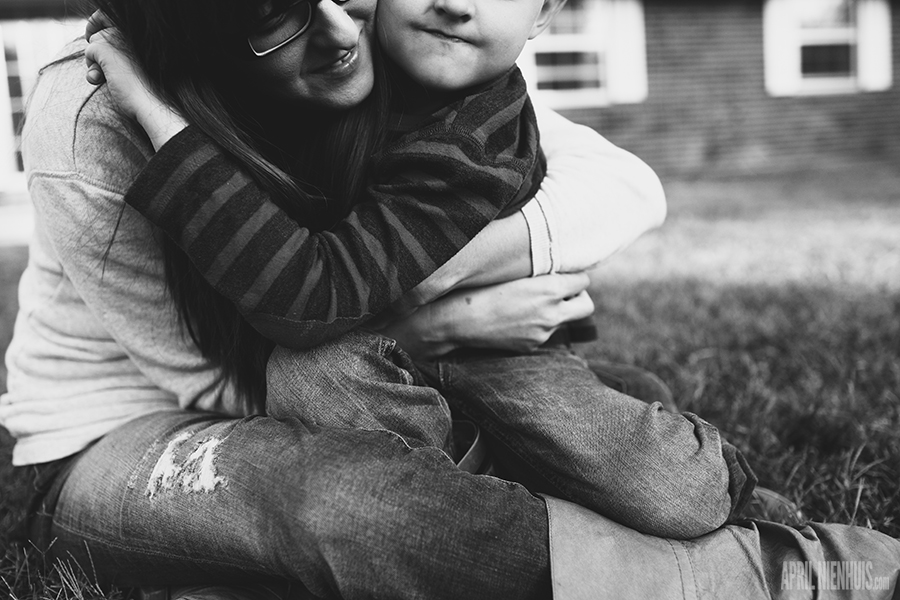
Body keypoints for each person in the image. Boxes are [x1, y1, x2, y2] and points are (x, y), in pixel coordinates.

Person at [3, 1, 898, 599]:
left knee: (449, 433)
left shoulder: (398, 44)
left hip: (338, 367)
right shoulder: (94, 117)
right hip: (122, 431)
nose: (337, 29)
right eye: (279, 15)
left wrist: (440, 288)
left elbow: (616, 181)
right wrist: (436, 329)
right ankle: (769, 575)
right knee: (352, 507)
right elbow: (208, 385)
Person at [86, 0, 756, 537]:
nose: (453, 5)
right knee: (308, 380)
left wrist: (157, 113)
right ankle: (480, 495)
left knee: (676, 496)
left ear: (545, 14)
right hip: (374, 345)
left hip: (490, 348)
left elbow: (311, 297)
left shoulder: (471, 139)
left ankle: (715, 472)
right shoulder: (342, 40)